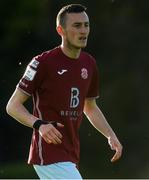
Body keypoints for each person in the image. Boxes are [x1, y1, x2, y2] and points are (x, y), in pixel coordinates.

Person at [6, 4, 122, 179]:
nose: (83, 30)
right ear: (61, 30)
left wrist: (110, 135)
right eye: (77, 26)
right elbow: (12, 106)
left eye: (86, 25)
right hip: (48, 153)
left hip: (70, 153)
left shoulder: (89, 63)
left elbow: (89, 107)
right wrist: (39, 124)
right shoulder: (42, 63)